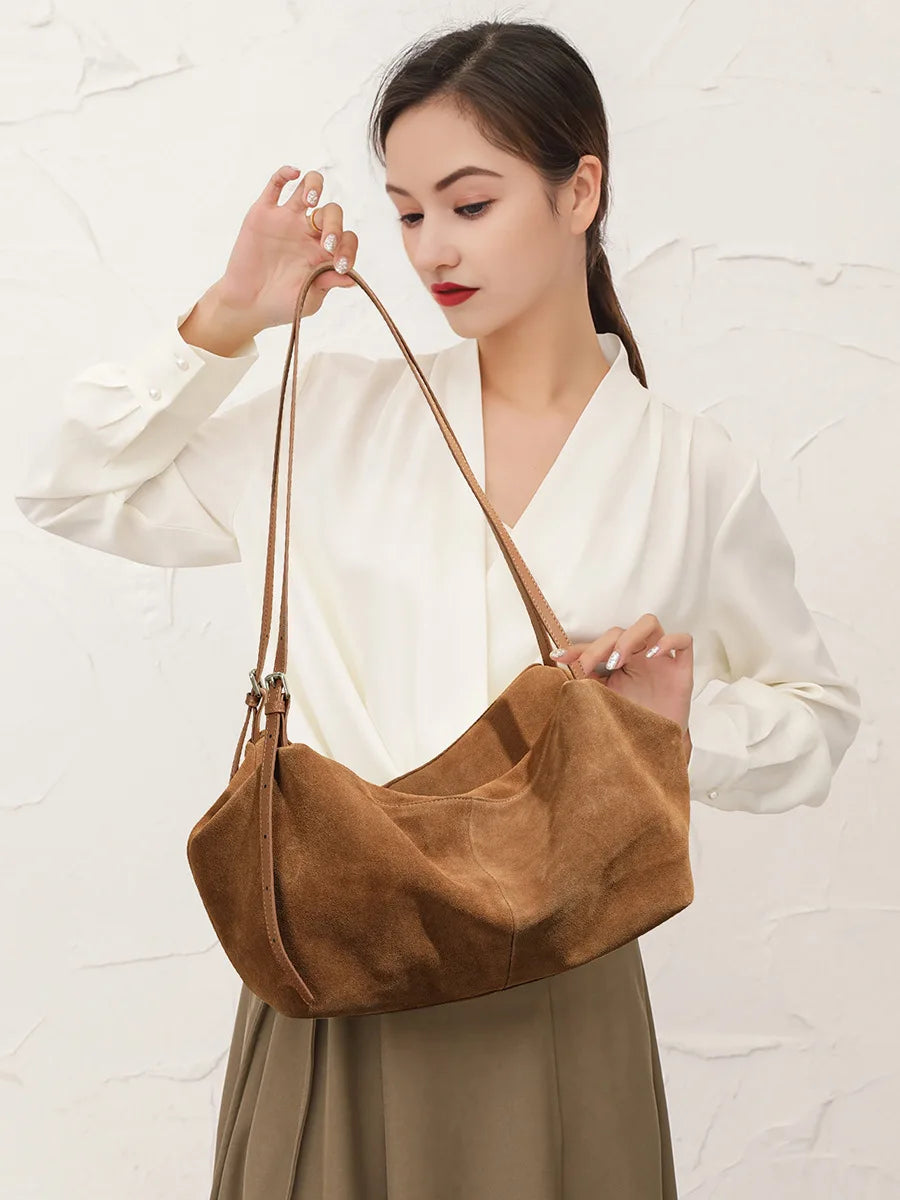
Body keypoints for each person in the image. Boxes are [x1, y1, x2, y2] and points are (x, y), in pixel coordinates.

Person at [13, 18, 861, 1200]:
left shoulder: (690, 468)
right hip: (335, 977)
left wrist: (676, 732)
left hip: (556, 995)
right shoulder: (334, 416)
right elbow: (64, 488)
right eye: (408, 213)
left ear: (580, 191)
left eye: (469, 203)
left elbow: (816, 717)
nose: (431, 249)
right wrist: (231, 315)